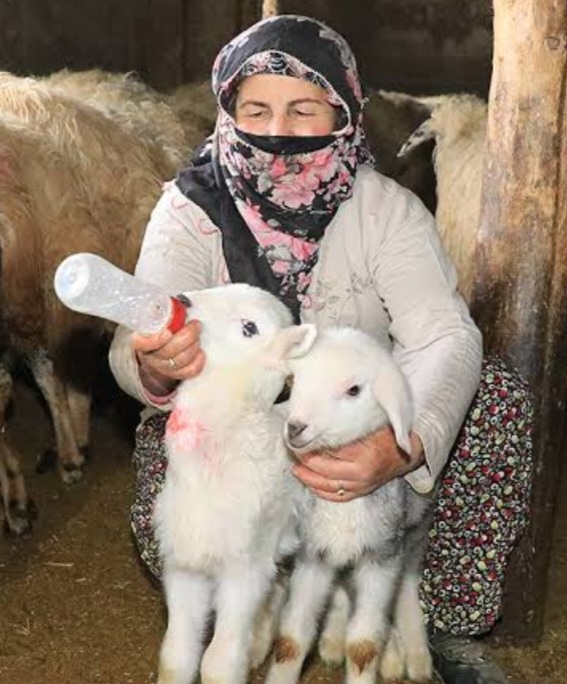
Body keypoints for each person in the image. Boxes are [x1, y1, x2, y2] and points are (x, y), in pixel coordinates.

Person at [109, 14, 533, 684]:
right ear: (226, 110)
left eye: (303, 108)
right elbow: (140, 322)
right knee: (179, 501)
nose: (276, 129)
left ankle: (433, 620)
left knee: (494, 396)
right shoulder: (189, 209)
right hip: (243, 427)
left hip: (344, 416)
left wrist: (403, 441)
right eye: (255, 108)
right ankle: (246, 607)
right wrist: (152, 361)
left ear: (344, 111)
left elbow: (442, 332)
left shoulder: (384, 210)